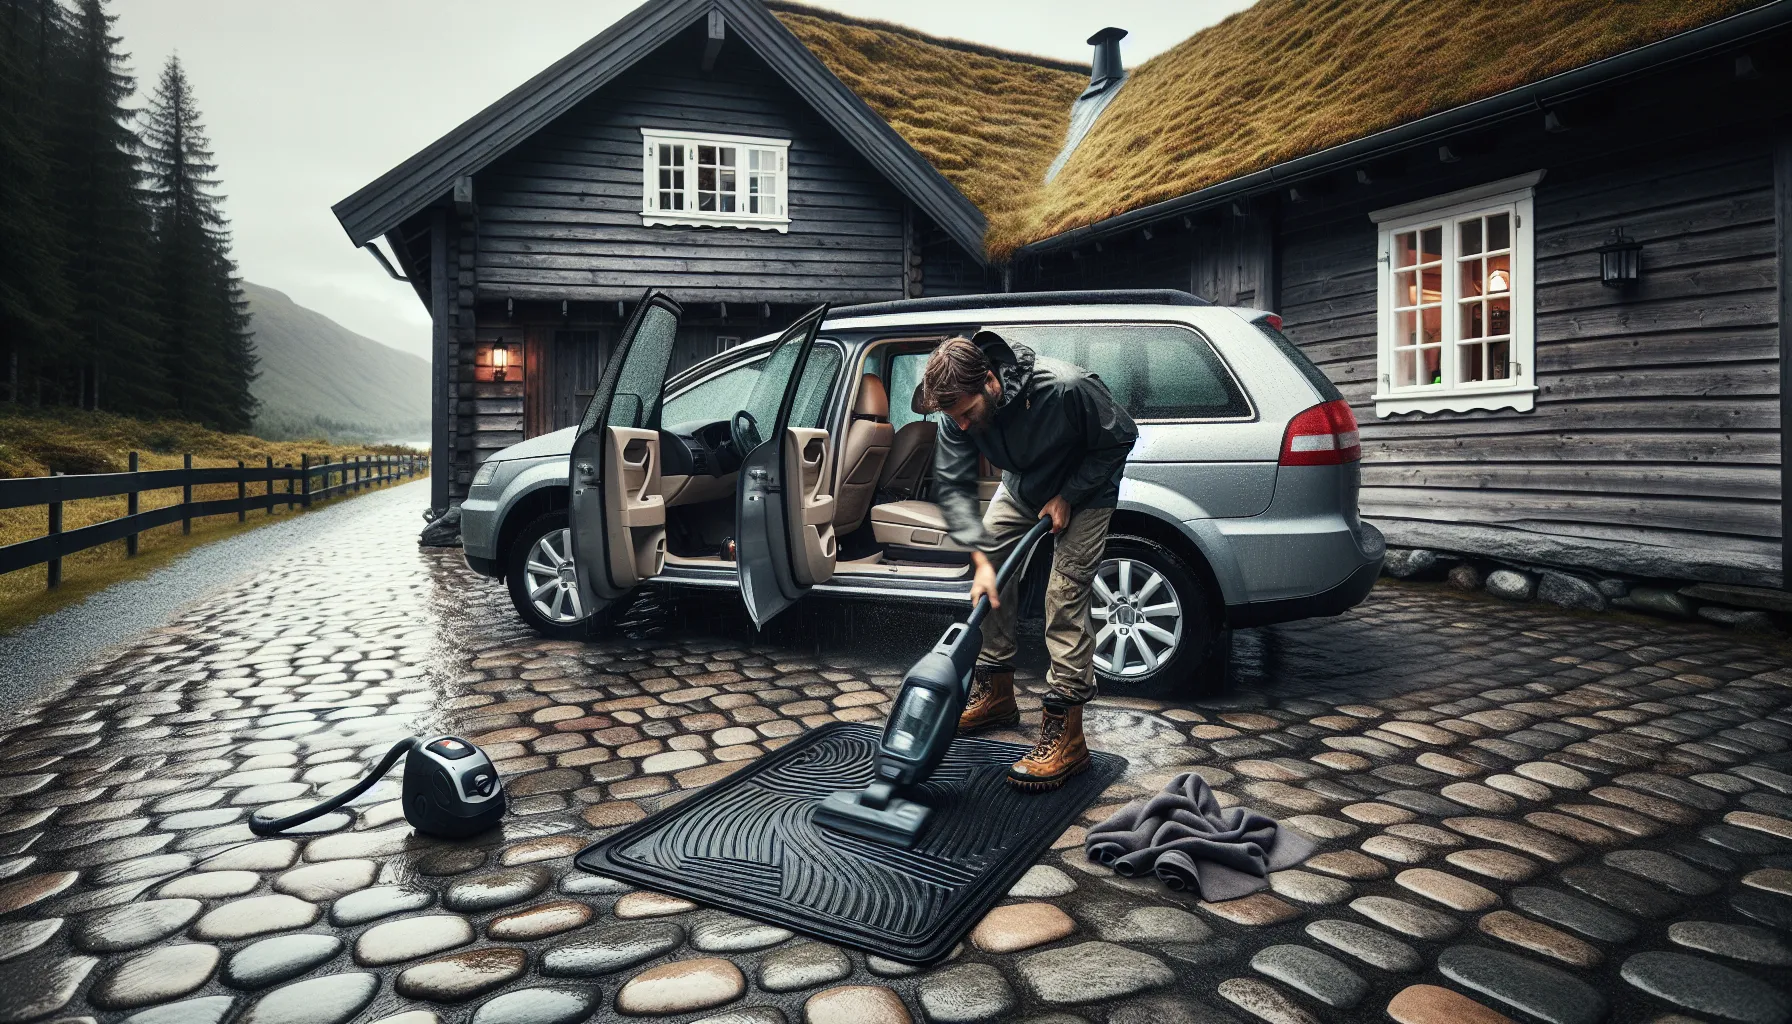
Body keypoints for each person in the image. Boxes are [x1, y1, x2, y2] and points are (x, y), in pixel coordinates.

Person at [913, 330, 1137, 791]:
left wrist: (1069, 495)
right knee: (991, 574)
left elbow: (1120, 438)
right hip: (1022, 487)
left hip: (1086, 489)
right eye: (952, 419)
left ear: (991, 383)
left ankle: (1067, 734)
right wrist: (981, 558)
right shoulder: (954, 410)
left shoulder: (1064, 388)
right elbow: (954, 486)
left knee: (1063, 594)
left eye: (968, 415)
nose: (961, 426)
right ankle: (996, 693)